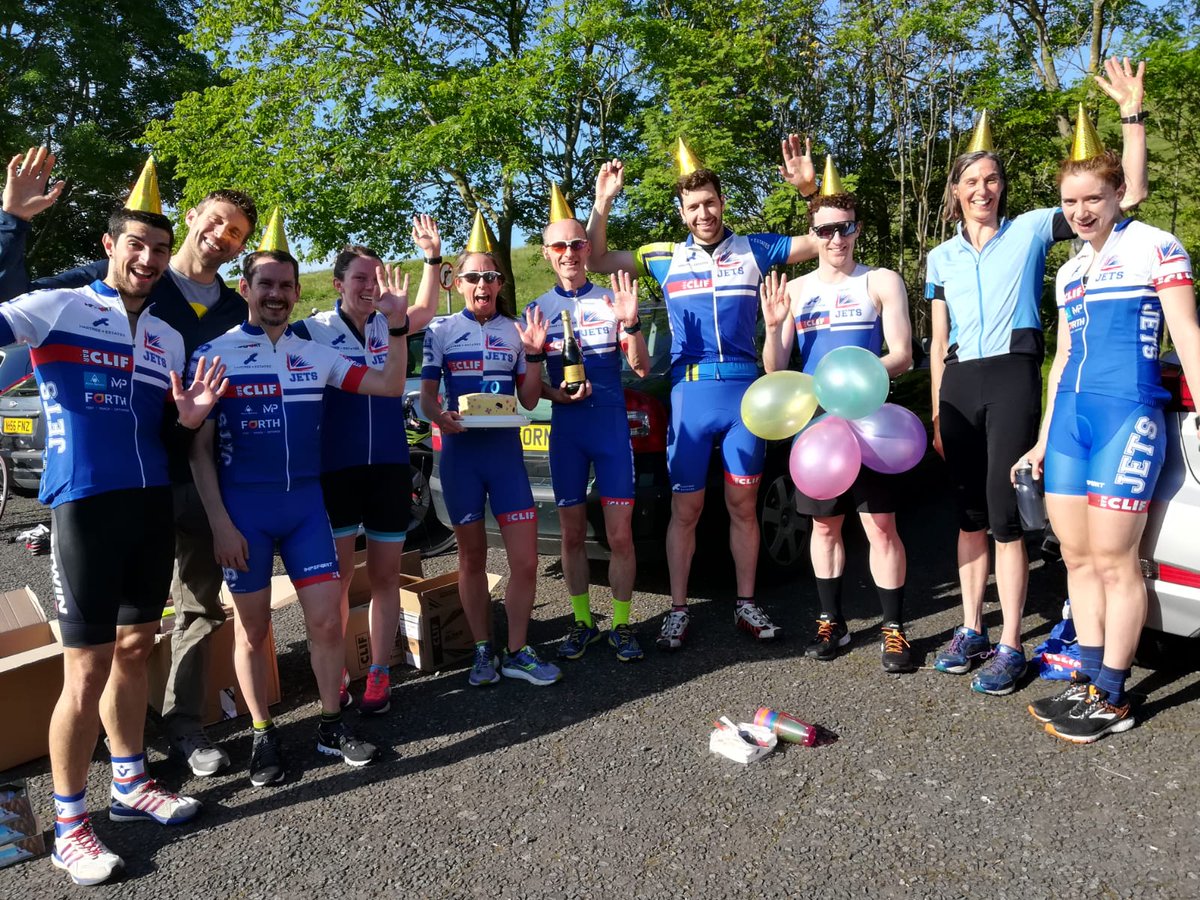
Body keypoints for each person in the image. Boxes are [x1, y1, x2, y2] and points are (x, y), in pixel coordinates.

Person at [0, 148, 256, 774]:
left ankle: (160, 750)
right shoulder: (85, 293)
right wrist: (11, 222)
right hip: (93, 493)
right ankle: (90, 793)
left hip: (176, 480)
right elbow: (15, 310)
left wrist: (191, 420)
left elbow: (186, 401)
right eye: (216, 221)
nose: (222, 237)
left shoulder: (212, 315)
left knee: (167, 624)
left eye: (236, 234)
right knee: (96, 656)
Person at [0, 204, 227, 886]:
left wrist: (187, 423)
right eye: (137, 245)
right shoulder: (57, 307)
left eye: (160, 248)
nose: (149, 259)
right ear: (109, 245)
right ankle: (71, 824)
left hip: (150, 506)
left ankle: (129, 783)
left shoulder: (167, 338)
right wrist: (11, 223)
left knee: (135, 648)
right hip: (84, 510)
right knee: (85, 670)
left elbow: (168, 441)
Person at [925, 58, 1148, 695]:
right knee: (967, 516)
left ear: (1002, 187)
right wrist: (939, 409)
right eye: (971, 181)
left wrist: (1131, 118)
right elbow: (939, 339)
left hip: (1014, 377)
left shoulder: (1029, 230)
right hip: (960, 385)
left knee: (1005, 517)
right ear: (956, 190)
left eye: (992, 180)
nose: (983, 190)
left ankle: (1010, 642)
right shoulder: (938, 255)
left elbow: (1122, 197)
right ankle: (970, 626)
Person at [189, 239, 411, 785]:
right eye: (265, 284)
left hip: (306, 507)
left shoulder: (313, 353)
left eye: (286, 286)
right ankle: (264, 735)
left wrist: (400, 326)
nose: (276, 294)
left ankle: (331, 724)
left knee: (326, 622)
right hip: (244, 513)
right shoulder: (214, 353)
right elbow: (197, 451)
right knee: (253, 630)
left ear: (297, 292)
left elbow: (387, 384)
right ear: (245, 288)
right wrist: (219, 522)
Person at [586, 137, 820, 650]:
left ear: (721, 202)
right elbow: (598, 257)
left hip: (745, 393)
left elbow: (821, 239)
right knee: (685, 510)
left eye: (710, 202)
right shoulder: (661, 256)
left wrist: (810, 191)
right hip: (690, 394)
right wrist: (603, 202)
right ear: (682, 211)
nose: (704, 212)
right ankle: (676, 608)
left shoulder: (754, 248)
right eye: (693, 206)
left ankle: (745, 603)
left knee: (743, 504)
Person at [1020, 127, 1200, 741]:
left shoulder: (1157, 246)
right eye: (1070, 202)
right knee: (1076, 556)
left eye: (1093, 198)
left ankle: (1115, 697)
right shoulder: (1069, 270)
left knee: (1118, 561)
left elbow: (1188, 334)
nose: (1080, 212)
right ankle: (1090, 677)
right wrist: (1044, 438)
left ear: (1120, 192)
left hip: (1128, 412)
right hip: (1071, 418)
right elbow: (1063, 356)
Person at [760, 177, 916, 673]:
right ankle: (833, 622)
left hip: (872, 426)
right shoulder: (796, 289)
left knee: (882, 528)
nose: (835, 239)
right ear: (814, 233)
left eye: (844, 228)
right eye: (824, 231)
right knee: (824, 530)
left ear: (857, 229)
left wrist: (856, 380)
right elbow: (774, 369)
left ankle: (894, 629)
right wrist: (771, 326)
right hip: (819, 433)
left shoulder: (880, 280)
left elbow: (904, 356)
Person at [292, 215, 443, 715]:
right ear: (338, 285)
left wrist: (432, 258)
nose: (370, 286)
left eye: (376, 277)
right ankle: (334, 675)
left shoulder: (390, 322)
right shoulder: (311, 329)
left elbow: (425, 308)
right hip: (336, 471)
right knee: (334, 579)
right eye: (360, 278)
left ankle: (379, 670)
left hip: (389, 470)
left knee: (384, 577)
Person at [419, 219, 559, 686]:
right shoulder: (440, 331)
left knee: (524, 561)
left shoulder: (515, 331)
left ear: (500, 283)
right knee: (471, 560)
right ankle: (483, 650)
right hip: (461, 457)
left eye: (491, 276)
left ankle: (517, 650)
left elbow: (531, 401)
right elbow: (426, 399)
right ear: (457, 284)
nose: (483, 284)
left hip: (504, 458)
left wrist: (535, 355)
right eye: (474, 277)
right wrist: (440, 418)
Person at [525, 189, 649, 662]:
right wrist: (557, 393)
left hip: (611, 429)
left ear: (587, 250)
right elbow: (529, 394)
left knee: (619, 536)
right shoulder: (536, 310)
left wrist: (631, 324)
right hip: (568, 431)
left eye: (578, 245)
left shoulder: (609, 299)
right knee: (573, 535)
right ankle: (582, 622)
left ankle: (620, 624)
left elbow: (639, 368)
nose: (570, 254)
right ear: (547, 254)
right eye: (559, 247)